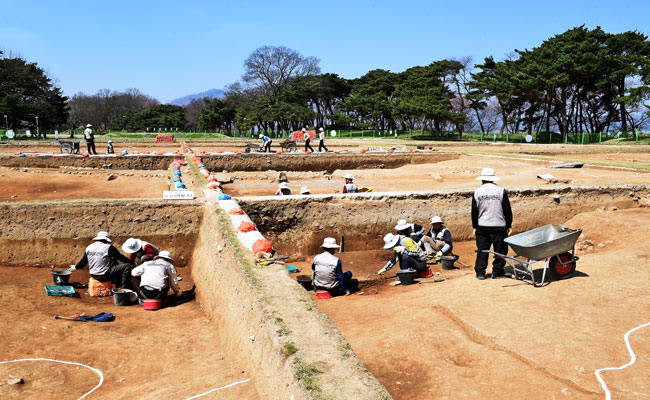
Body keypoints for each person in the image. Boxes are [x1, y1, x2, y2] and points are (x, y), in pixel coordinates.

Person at [472, 167, 513, 280]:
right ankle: (498, 272)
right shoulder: (500, 190)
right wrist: (508, 225)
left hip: (482, 226)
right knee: (500, 250)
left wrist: (475, 226)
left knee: (482, 250)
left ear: (482, 180)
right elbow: (507, 210)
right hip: (499, 226)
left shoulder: (477, 192)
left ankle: (480, 273)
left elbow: (474, 211)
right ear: (493, 179)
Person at [68, 231, 134, 289]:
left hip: (94, 275)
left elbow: (83, 262)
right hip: (104, 275)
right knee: (126, 266)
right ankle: (124, 288)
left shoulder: (89, 247)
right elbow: (122, 258)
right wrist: (132, 262)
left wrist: (75, 267)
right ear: (106, 240)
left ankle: (116, 281)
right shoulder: (108, 248)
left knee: (113, 260)